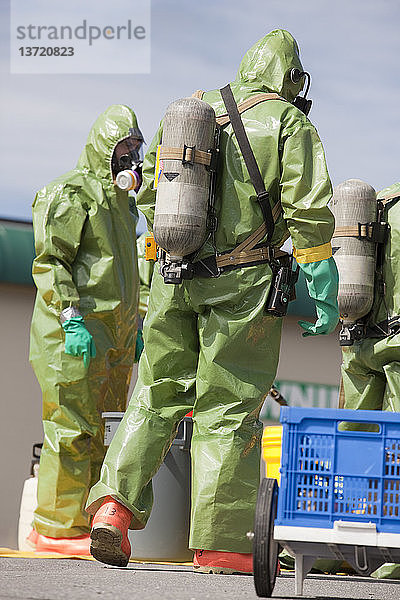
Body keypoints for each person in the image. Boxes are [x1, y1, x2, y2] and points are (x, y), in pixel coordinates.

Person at [86, 29, 339, 573]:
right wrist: (323, 286)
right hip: (242, 286)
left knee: (155, 392)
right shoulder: (287, 123)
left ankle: (112, 509)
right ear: (291, 78)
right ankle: (222, 542)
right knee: (228, 407)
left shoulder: (196, 110)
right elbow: (310, 212)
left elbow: (154, 193)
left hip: (173, 275)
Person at [28, 105, 143, 555]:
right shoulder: (71, 194)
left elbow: (126, 275)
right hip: (72, 335)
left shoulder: (123, 208)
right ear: (103, 148)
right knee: (71, 428)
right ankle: (55, 528)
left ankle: (87, 525)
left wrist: (131, 327)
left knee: (104, 431)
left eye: (135, 149)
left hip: (113, 340)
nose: (131, 159)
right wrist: (69, 315)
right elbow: (51, 260)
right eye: (124, 149)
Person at [341, 182, 400, 579]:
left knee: (353, 441)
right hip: (398, 348)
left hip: (360, 343)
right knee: (396, 447)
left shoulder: (381, 201)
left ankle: (337, 544)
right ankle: (393, 554)